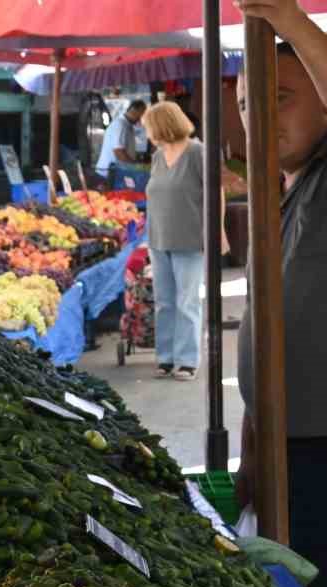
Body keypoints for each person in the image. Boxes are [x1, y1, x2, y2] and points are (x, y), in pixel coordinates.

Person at [232, 0, 327, 587]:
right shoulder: (279, 195)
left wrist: (288, 20)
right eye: (249, 102)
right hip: (289, 449)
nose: (257, 116)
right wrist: (253, 445)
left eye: (279, 97)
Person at [141, 101, 207, 381]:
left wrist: (218, 233)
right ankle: (166, 357)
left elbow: (215, 193)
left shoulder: (197, 152)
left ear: (162, 126)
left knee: (187, 302)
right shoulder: (158, 156)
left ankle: (188, 360)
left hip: (190, 237)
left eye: (149, 128)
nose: (147, 133)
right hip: (158, 238)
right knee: (164, 301)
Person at [95, 99, 148, 181]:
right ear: (134, 111)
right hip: (108, 174)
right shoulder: (120, 125)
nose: (141, 118)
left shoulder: (127, 125)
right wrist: (136, 167)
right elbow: (119, 152)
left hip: (115, 171)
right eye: (141, 114)